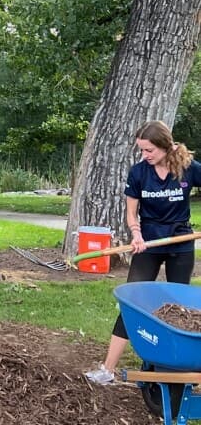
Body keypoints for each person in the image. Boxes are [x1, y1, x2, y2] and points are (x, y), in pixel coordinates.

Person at [85, 120, 201, 385]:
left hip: (181, 244)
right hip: (147, 244)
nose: (144, 155)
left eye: (148, 150)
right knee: (132, 302)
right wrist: (136, 234)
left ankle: (175, 367)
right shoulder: (138, 173)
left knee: (179, 308)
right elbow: (131, 212)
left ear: (165, 146)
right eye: (141, 150)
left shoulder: (188, 168)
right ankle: (108, 369)